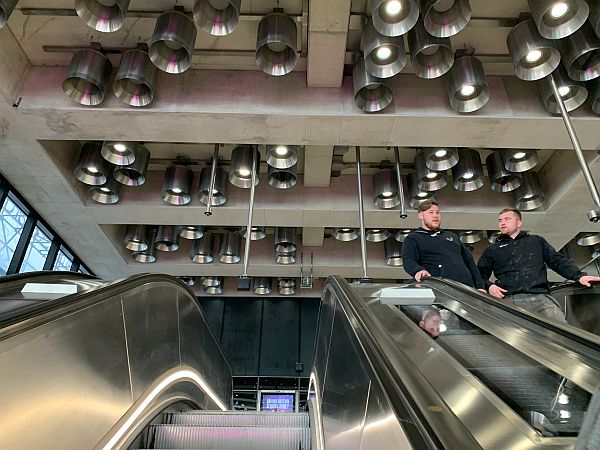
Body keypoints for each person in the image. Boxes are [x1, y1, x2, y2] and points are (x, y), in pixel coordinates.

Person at [477, 207, 600, 321]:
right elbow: (478, 274)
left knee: (562, 336)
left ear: (519, 222)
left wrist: (579, 276)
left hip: (541, 298)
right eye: (500, 220)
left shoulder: (536, 241)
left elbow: (557, 261)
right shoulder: (492, 250)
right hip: (510, 300)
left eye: (507, 219)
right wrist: (489, 286)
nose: (502, 223)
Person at [402, 200, 486, 289]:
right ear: (421, 216)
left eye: (437, 212)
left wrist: (480, 286)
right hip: (439, 289)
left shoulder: (452, 236)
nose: (435, 215)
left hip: (466, 289)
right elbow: (408, 261)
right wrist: (418, 270)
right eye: (431, 212)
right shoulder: (413, 238)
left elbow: (469, 262)